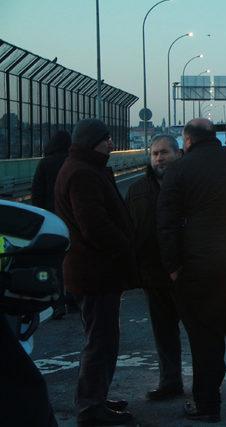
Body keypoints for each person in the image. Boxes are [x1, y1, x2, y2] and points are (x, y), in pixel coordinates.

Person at [157, 119, 226, 423]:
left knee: (205, 339)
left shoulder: (178, 171)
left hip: (198, 269)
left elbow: (166, 224)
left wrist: (173, 267)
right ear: (214, 137)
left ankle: (207, 405)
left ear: (188, 141)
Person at [54, 118, 138, 426]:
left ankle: (96, 397)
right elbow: (94, 226)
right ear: (92, 141)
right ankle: (90, 407)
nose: (111, 145)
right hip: (95, 272)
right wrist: (126, 244)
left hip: (95, 271)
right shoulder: (83, 174)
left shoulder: (86, 168)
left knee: (102, 338)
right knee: (100, 341)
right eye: (106, 141)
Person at [125, 134, 184, 401]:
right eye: (155, 154)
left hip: (188, 272)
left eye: (164, 153)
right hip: (154, 273)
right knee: (164, 333)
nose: (159, 158)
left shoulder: (190, 184)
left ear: (178, 154)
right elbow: (131, 231)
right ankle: (170, 382)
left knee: (200, 331)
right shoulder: (137, 190)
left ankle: (207, 385)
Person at [31, 130, 76, 320]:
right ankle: (74, 298)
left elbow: (37, 193)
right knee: (72, 257)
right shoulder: (72, 162)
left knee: (55, 261)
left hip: (51, 219)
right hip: (71, 217)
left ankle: (57, 303)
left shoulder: (45, 163)